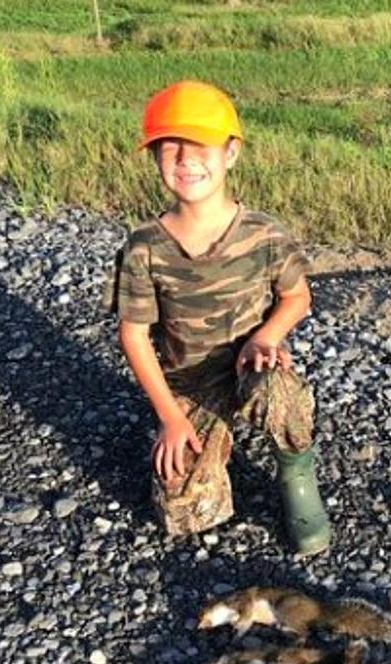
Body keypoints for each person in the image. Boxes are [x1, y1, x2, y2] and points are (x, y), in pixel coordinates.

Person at [103, 80, 331, 555]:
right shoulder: (144, 246)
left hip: (252, 365)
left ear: (230, 153)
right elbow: (134, 336)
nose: (185, 159)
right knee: (185, 510)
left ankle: (296, 474)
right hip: (189, 382)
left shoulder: (264, 233)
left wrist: (266, 337)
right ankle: (208, 443)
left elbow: (297, 297)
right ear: (154, 158)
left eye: (200, 145)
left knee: (281, 395)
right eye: (170, 147)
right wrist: (169, 417)